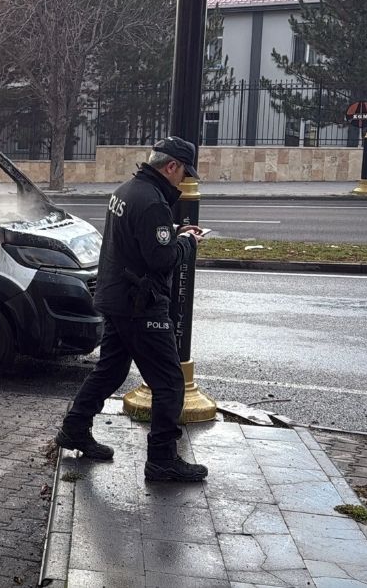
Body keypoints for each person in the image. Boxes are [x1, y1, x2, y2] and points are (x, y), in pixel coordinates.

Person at [55, 136, 208, 482]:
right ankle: (162, 458)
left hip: (117, 298)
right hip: (141, 305)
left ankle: (75, 427)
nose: (184, 181)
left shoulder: (126, 191)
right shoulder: (154, 202)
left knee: (110, 371)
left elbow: (138, 239)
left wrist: (171, 231)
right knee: (170, 382)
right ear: (171, 166)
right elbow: (161, 258)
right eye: (184, 173)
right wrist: (187, 243)